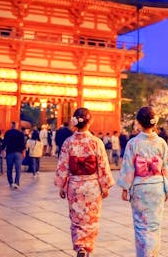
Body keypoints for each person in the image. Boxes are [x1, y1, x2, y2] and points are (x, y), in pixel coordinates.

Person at [117, 106, 168, 257]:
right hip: (157, 186)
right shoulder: (161, 143)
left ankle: (145, 254)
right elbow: (166, 166)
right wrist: (167, 187)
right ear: (154, 123)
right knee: (154, 225)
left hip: (140, 187)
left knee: (141, 226)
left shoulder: (133, 143)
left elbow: (128, 167)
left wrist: (125, 188)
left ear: (138, 123)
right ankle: (152, 254)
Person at [55, 108, 114, 257]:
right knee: (92, 218)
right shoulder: (96, 142)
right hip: (92, 185)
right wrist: (105, 186)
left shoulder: (68, 142)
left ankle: (80, 246)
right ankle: (88, 248)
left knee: (76, 218)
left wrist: (62, 185)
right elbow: (102, 165)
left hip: (75, 185)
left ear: (75, 121)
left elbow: (63, 166)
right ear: (90, 121)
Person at [4, 123, 26, 189]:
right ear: (16, 126)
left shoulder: (7, 133)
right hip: (18, 153)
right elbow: (23, 143)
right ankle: (17, 182)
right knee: (18, 169)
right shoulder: (20, 133)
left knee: (9, 168)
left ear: (11, 126)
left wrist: (2, 150)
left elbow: (5, 142)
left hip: (10, 152)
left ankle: (11, 183)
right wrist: (24, 152)